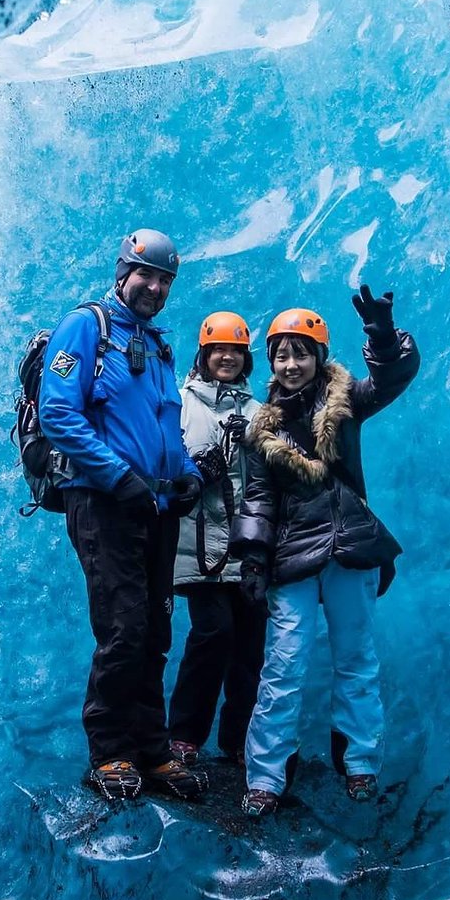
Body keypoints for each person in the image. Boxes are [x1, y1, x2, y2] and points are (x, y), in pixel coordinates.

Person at [230, 286, 419, 817]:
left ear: (319, 356)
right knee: (284, 666)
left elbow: (392, 377)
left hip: (351, 548)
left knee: (356, 661)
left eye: (301, 352)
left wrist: (382, 334)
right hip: (293, 555)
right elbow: (260, 499)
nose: (291, 363)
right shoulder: (262, 430)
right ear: (271, 362)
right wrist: (252, 559)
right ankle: (265, 778)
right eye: (282, 354)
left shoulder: (346, 403)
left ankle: (360, 766)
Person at [38, 229, 209, 802]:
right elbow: (58, 412)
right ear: (123, 272)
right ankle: (109, 752)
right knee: (123, 629)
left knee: (156, 632)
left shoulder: (159, 346)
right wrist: (117, 477)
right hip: (104, 504)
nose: (155, 287)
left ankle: (152, 750)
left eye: (165, 280)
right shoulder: (87, 327)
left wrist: (187, 472)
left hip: (154, 507)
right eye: (146, 274)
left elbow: (166, 428)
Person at [166, 313, 267, 767]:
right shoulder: (183, 403)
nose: (227, 357)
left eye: (236, 350)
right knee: (214, 632)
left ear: (246, 357)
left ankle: (236, 738)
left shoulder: (257, 410)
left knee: (249, 644)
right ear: (203, 354)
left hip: (246, 549)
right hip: (200, 548)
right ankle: (184, 733)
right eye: (218, 349)